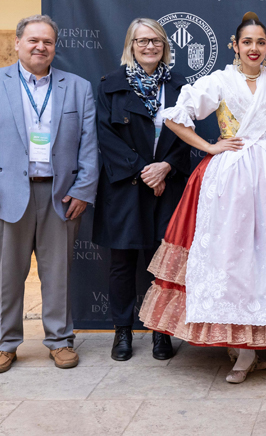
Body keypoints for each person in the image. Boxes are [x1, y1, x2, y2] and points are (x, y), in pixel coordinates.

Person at [139, 12, 266, 384]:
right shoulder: (219, 80)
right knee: (230, 257)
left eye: (261, 42)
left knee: (265, 257)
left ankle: (251, 346)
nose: (254, 48)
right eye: (247, 41)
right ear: (235, 45)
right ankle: (241, 347)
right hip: (230, 178)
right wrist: (209, 146)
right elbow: (174, 116)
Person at [0, 14, 98, 373]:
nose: (41, 47)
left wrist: (83, 191)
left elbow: (89, 145)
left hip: (60, 195)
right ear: (18, 43)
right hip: (9, 194)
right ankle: (5, 343)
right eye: (33, 40)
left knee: (58, 274)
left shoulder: (77, 87)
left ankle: (60, 341)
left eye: (48, 42)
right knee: (6, 274)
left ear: (55, 47)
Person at [92, 18, 190, 362]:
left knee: (162, 263)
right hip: (126, 187)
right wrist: (144, 170)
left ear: (165, 47)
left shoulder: (181, 87)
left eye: (157, 42)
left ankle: (161, 331)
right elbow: (105, 137)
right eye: (142, 41)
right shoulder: (110, 86)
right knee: (122, 263)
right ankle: (122, 330)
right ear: (131, 46)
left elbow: (189, 136)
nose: (150, 47)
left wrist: (167, 167)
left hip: (168, 185)